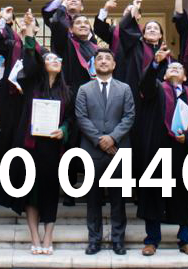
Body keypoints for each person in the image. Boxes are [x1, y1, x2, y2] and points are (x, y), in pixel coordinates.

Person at [0, 11, 70, 255]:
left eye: (58, 59)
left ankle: (48, 237)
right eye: (50, 58)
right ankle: (35, 236)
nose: (55, 60)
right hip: (31, 146)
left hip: (53, 149)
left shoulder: (68, 92)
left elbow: (71, 120)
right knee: (32, 193)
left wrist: (64, 130)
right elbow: (28, 59)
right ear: (43, 63)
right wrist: (27, 32)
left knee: (50, 192)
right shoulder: (31, 84)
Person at [133, 51, 188, 256]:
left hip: (182, 152)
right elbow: (145, 85)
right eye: (170, 68)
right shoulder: (156, 89)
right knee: (153, 195)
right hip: (156, 150)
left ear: (185, 77)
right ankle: (151, 240)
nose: (174, 68)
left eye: (179, 68)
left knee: (183, 197)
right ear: (164, 75)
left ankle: (185, 239)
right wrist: (155, 64)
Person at [74, 47, 136, 255]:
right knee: (93, 199)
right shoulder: (84, 89)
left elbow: (129, 117)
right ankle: (94, 240)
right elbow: (81, 117)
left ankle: (118, 240)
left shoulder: (125, 89)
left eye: (107, 58)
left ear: (114, 64)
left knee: (119, 199)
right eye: (99, 58)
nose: (103, 61)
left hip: (119, 150)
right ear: (94, 64)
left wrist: (112, 138)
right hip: (92, 150)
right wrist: (100, 140)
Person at [115, 0, 168, 89]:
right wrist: (134, 8)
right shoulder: (135, 46)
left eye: (155, 28)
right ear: (143, 34)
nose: (152, 30)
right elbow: (123, 28)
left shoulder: (166, 55)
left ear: (160, 35)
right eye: (148, 28)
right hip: (135, 91)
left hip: (156, 96)